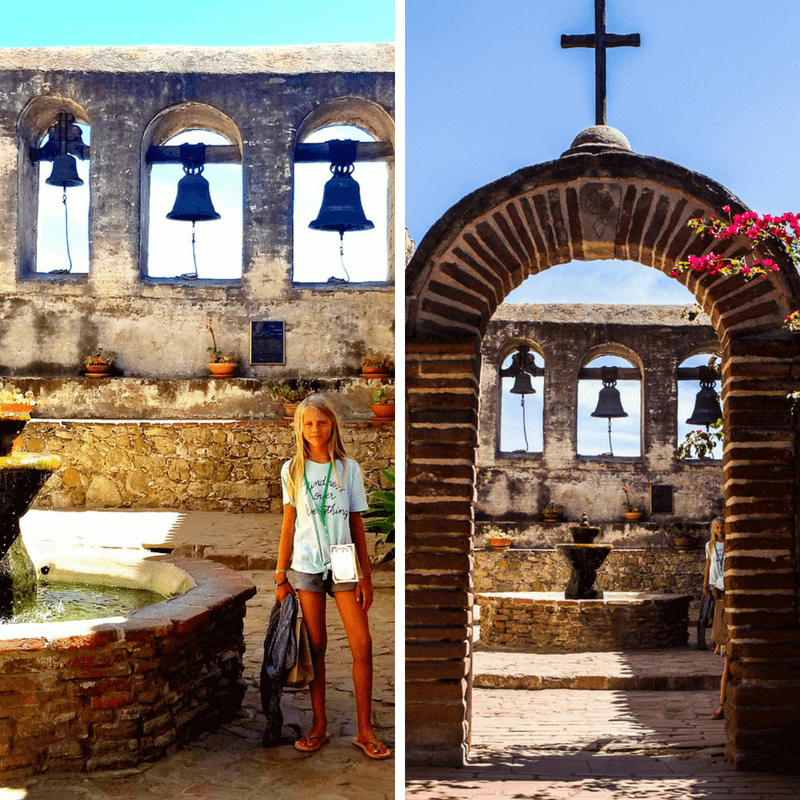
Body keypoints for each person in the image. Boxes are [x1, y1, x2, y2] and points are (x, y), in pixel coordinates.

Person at [274, 394, 391, 759]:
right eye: (308, 423)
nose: (315, 429)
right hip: (307, 565)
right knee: (317, 647)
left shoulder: (348, 469)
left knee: (363, 644)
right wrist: (280, 574)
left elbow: (356, 522)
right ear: (300, 427)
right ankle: (320, 724)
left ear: (332, 425)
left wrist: (366, 574)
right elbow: (289, 523)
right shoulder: (291, 470)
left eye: (321, 422)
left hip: (343, 564)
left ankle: (365, 729)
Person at [703, 516, 729, 719]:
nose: (720, 529)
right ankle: (720, 642)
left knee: (726, 608)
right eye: (717, 527)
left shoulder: (729, 543)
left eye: (722, 527)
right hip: (714, 581)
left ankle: (724, 640)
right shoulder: (709, 545)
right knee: (717, 611)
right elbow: (708, 564)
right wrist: (705, 583)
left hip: (725, 580)